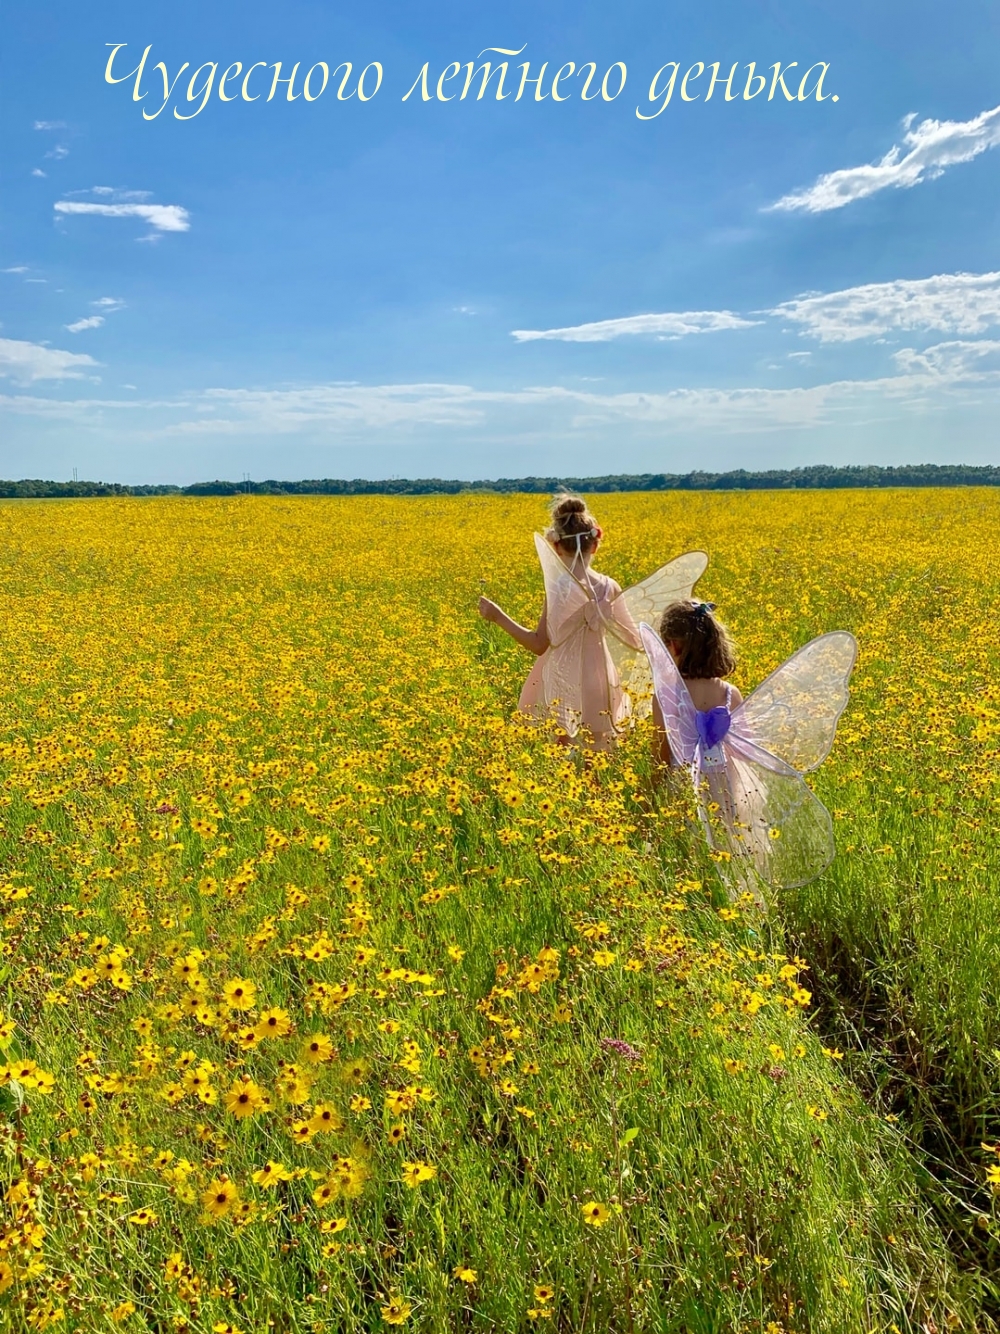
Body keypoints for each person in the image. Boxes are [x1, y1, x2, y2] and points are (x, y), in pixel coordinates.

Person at [642, 602, 857, 891]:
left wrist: (650, 791)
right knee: (733, 844)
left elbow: (662, 752)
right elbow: (746, 751)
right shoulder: (730, 693)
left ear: (674, 647)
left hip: (685, 786)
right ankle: (738, 899)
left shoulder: (666, 697)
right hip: (728, 785)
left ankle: (698, 902)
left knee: (690, 850)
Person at [479, 494, 707, 749]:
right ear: (595, 545)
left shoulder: (559, 589)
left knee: (560, 745)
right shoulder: (609, 587)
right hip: (599, 678)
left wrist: (497, 616)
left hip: (561, 677)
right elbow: (635, 639)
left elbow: (539, 644)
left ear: (556, 547)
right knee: (598, 749)